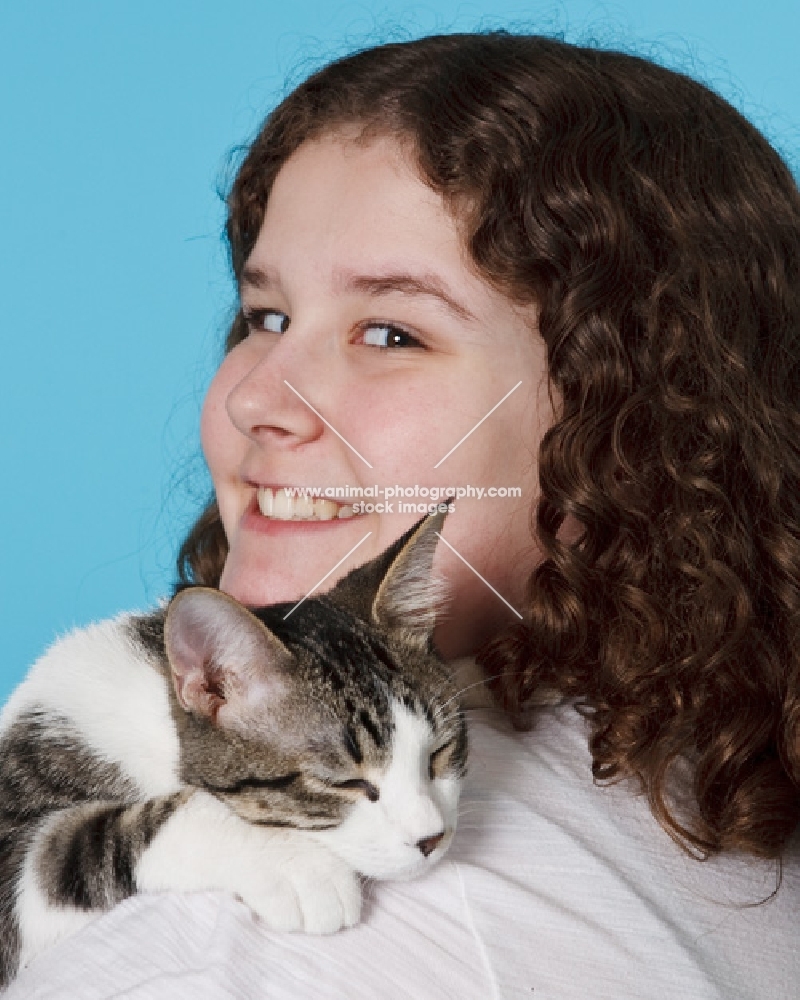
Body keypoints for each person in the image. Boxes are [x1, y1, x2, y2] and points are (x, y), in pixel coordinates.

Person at [8, 31, 799, 1000]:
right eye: (263, 317)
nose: (257, 395)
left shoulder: (240, 946)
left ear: (631, 414)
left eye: (390, 330)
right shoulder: (709, 776)